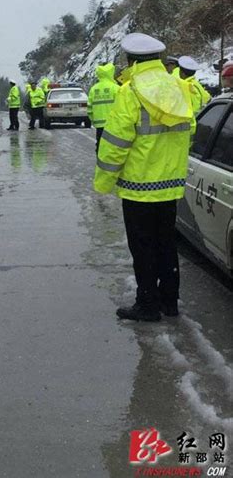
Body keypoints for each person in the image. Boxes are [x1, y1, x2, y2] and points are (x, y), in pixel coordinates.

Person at [94, 32, 194, 322]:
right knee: (166, 243)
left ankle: (148, 304)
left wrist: (103, 182)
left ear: (131, 61)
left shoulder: (131, 91)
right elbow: (191, 130)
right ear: (159, 59)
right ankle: (170, 301)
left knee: (143, 247)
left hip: (139, 188)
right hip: (170, 187)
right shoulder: (179, 87)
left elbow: (115, 144)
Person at [87, 63, 119, 152]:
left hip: (99, 126)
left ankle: (101, 163)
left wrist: (94, 120)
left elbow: (89, 109)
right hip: (114, 125)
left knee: (101, 147)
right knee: (114, 147)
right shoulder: (116, 88)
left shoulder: (93, 89)